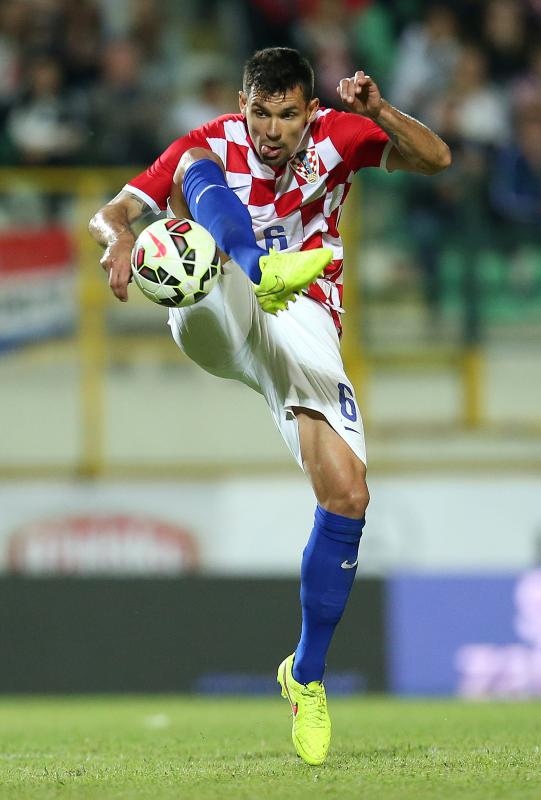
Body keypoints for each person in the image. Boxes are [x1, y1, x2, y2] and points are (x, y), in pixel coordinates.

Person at [89, 47, 451, 766]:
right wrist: (120, 237)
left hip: (303, 318)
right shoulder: (211, 142)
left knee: (347, 496)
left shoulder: (336, 137)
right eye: (260, 113)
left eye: (287, 115)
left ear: (310, 111)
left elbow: (436, 159)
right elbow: (113, 212)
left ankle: (305, 675)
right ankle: (260, 265)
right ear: (242, 104)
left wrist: (378, 110)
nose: (271, 130)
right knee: (192, 179)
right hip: (219, 300)